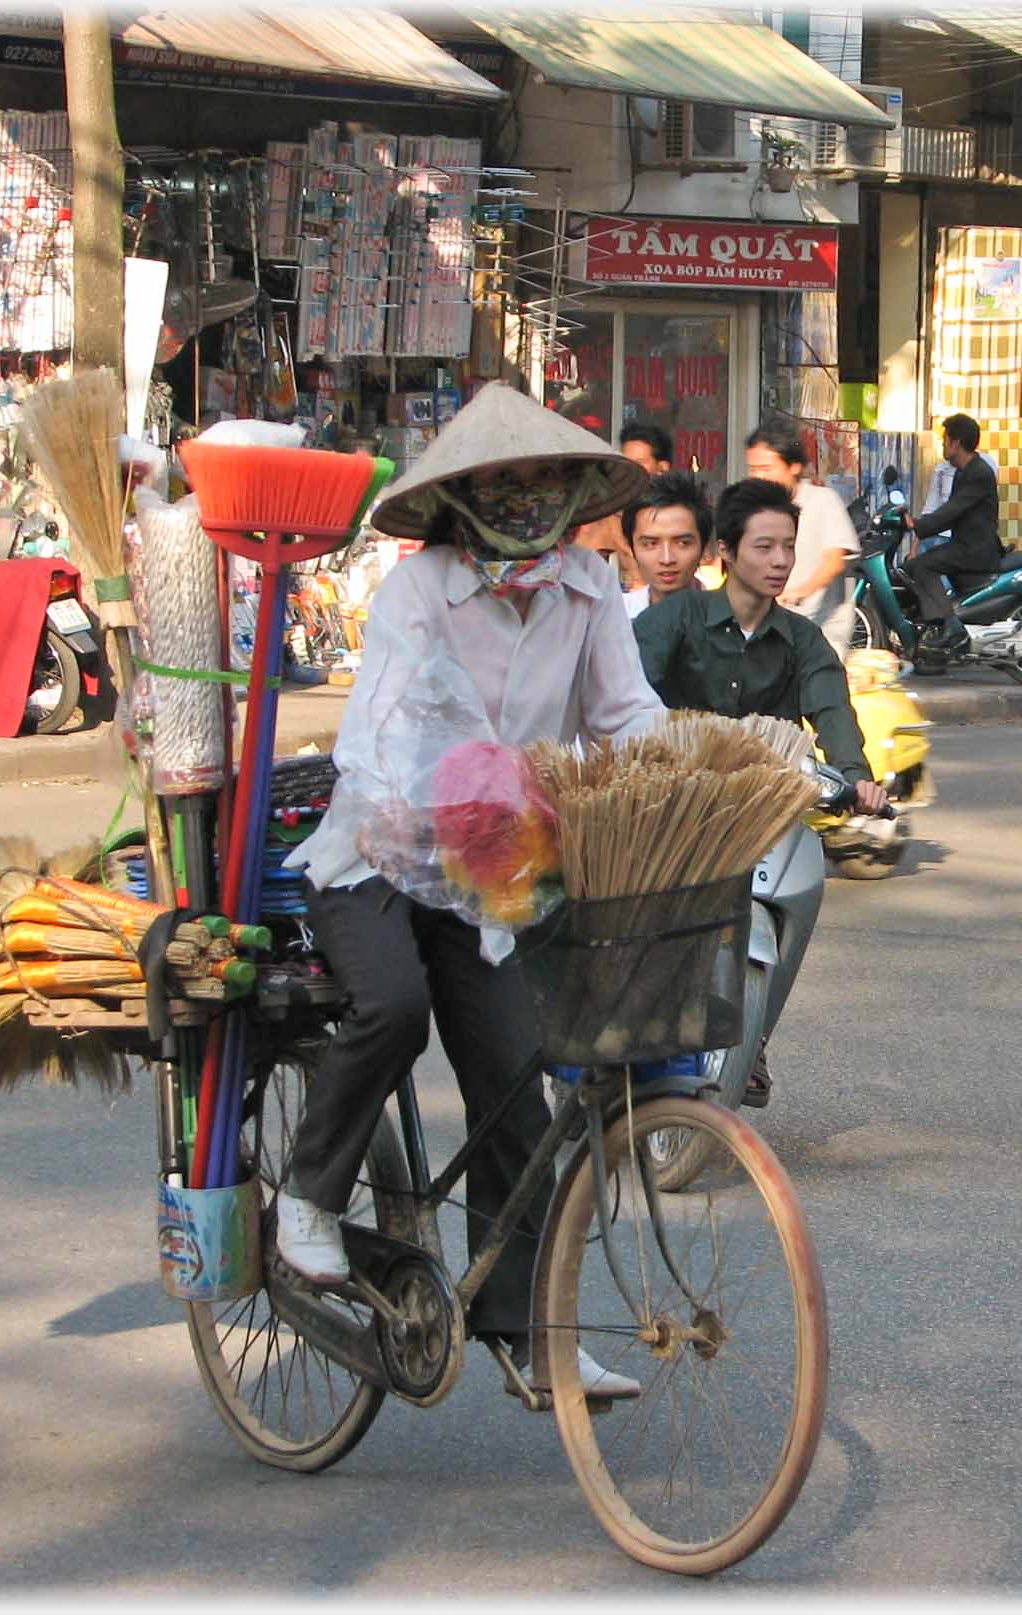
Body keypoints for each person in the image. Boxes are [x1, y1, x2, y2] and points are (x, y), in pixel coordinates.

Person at [278, 382, 663, 1401]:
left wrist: (697, 779)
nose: (528, 494)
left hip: (491, 874)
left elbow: (627, 717)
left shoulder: (589, 587)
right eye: (506, 478)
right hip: (382, 849)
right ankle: (309, 1199)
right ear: (465, 493)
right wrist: (469, 802)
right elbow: (393, 735)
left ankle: (527, 1330)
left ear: (577, 487)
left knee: (516, 1087)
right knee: (393, 1008)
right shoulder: (419, 589)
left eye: (545, 476)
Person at [633, 478, 889, 1105]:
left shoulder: (801, 638)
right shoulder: (672, 619)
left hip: (767, 810)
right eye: (764, 547)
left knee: (803, 888)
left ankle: (755, 1037)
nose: (779, 562)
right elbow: (628, 697)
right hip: (675, 806)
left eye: (788, 548)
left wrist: (855, 775)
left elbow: (831, 707)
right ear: (726, 552)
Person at [744, 421, 862, 660]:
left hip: (821, 631)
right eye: (753, 469)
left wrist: (799, 592)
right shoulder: (752, 508)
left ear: (794, 466)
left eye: (766, 468)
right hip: (770, 626)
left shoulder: (823, 501)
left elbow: (835, 560)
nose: (758, 476)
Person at [902, 412, 1003, 652]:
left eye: (944, 439)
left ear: (956, 442)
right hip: (966, 545)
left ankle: (951, 626)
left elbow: (951, 511)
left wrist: (917, 525)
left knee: (922, 566)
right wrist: (920, 526)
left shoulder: (978, 473)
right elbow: (949, 512)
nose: (942, 445)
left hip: (975, 549)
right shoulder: (964, 471)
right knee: (915, 564)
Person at [571, 422, 673, 590]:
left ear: (662, 468)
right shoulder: (608, 514)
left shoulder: (677, 514)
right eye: (626, 461)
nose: (630, 469)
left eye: (639, 462)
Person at [620, 470, 713, 619]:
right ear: (630, 546)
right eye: (650, 544)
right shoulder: (615, 618)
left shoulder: (733, 622)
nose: (667, 559)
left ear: (704, 546)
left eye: (683, 543)